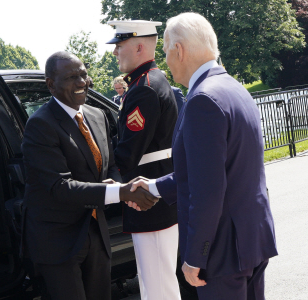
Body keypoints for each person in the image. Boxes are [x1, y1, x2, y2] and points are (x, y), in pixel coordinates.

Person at [130, 12, 278, 300]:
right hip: (250, 241)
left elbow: (207, 189)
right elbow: (210, 172)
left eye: (165, 52)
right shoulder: (233, 88)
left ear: (179, 50)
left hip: (223, 254)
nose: (166, 62)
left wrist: (196, 256)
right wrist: (154, 186)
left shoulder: (202, 100)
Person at [21, 51, 158, 300]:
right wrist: (120, 192)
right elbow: (60, 186)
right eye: (72, 77)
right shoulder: (41, 125)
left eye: (83, 74)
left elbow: (112, 165)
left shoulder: (97, 115)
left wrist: (119, 186)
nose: (83, 82)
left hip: (96, 232)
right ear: (51, 84)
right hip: (58, 241)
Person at [107, 20, 180, 300]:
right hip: (154, 197)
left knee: (158, 288)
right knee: (156, 283)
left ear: (139, 46)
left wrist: (102, 177)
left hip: (149, 200)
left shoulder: (143, 88)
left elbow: (127, 153)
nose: (115, 52)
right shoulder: (149, 81)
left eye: (119, 45)